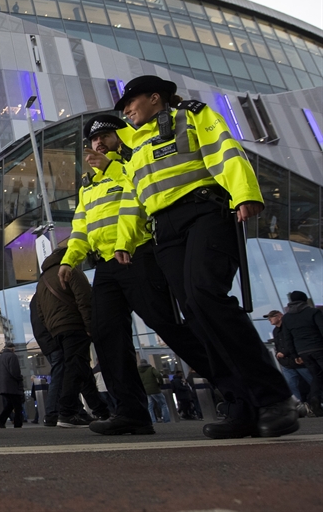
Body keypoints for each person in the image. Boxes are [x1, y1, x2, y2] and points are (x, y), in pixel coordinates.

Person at [103, 74, 297, 438]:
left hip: (204, 213)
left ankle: (274, 398)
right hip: (165, 231)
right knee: (194, 311)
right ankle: (241, 404)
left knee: (206, 295)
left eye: (130, 103)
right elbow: (135, 197)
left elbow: (224, 151)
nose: (126, 111)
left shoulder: (191, 115)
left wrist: (244, 193)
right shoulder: (136, 147)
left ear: (155, 98)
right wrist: (124, 241)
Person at [62, 113, 214, 437]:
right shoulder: (88, 185)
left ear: (120, 136)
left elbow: (138, 194)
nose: (98, 144)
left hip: (138, 254)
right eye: (93, 140)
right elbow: (80, 226)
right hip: (105, 265)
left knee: (167, 326)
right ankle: (130, 413)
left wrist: (110, 166)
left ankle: (232, 388)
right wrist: (69, 259)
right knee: (106, 336)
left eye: (104, 137)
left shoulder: (132, 161)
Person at [34, 247, 109, 427]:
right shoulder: (70, 271)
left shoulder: (42, 281)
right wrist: (90, 325)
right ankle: (66, 412)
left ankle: (102, 411)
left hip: (57, 330)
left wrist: (52, 329)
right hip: (75, 326)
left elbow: (40, 312)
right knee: (75, 368)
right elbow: (85, 299)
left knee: (80, 367)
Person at [280, 291, 323, 417]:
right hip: (319, 348)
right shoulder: (313, 312)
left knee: (317, 375)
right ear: (305, 300)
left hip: (302, 352)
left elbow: (288, 338)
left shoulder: (286, 318)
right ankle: (315, 398)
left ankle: (314, 398)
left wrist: (295, 355)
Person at [266, 309, 313, 409]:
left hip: (298, 360)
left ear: (279, 316)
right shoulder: (275, 331)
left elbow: (292, 342)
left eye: (271, 316)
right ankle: (300, 407)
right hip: (286, 364)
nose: (269, 319)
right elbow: (278, 346)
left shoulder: (289, 327)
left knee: (312, 380)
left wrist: (284, 353)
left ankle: (318, 401)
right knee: (292, 385)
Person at [29, 294, 63, 427]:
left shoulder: (36, 299)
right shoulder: (46, 296)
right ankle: (52, 412)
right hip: (53, 341)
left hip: (46, 342)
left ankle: (69, 410)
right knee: (60, 374)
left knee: (63, 374)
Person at [0, 343, 24, 428]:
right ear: (12, 349)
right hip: (12, 385)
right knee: (18, 405)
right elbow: (14, 371)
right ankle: (17, 423)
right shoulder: (13, 356)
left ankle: (1, 419)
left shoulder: (1, 357)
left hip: (4, 385)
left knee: (10, 404)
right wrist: (20, 378)